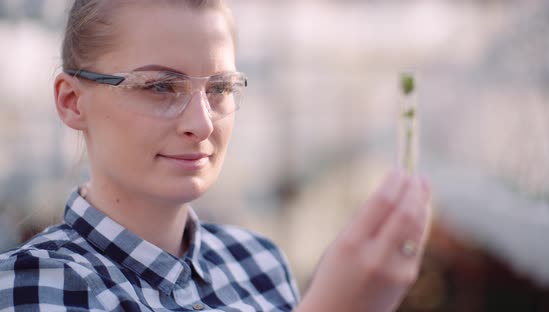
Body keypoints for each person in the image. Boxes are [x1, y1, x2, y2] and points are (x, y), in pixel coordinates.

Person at [0, 1, 432, 311]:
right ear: (72, 101)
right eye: (159, 87)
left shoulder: (258, 263)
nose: (203, 124)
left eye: (220, 89)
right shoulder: (36, 284)